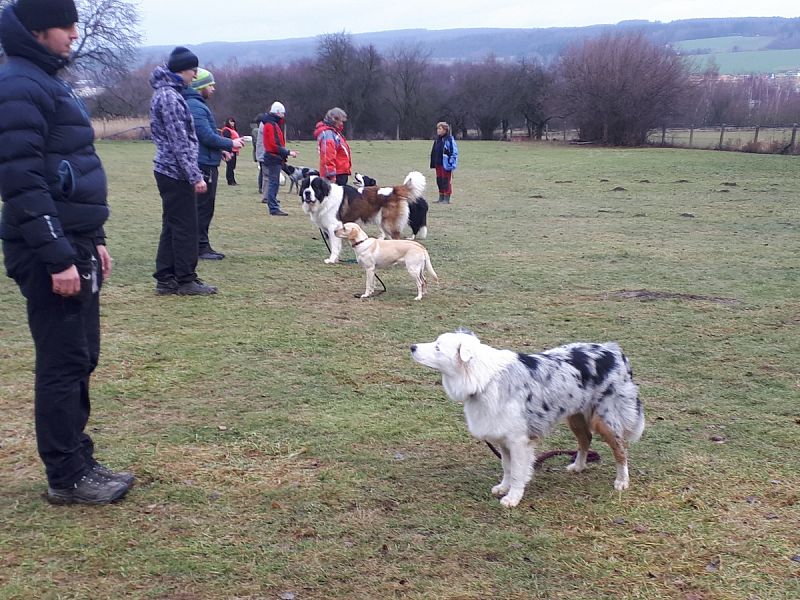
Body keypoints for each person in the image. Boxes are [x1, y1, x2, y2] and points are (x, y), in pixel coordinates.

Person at [0, 0, 134, 505]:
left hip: (75, 241)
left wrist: (93, 240)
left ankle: (79, 457)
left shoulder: (46, 80)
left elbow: (68, 166)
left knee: (82, 356)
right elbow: (21, 180)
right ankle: (65, 475)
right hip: (48, 248)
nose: (75, 33)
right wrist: (57, 256)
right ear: (38, 30)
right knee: (62, 361)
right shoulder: (17, 86)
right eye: (66, 24)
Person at [149, 46, 217, 295]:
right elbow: (180, 141)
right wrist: (194, 175)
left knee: (172, 225)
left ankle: (166, 278)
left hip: (169, 169)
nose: (194, 75)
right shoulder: (169, 97)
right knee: (186, 226)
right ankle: (186, 280)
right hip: (175, 171)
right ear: (183, 71)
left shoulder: (167, 94)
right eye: (193, 70)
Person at [183, 69, 244, 261]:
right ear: (200, 86)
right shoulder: (196, 106)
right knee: (202, 207)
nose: (213, 88)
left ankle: (201, 245)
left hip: (207, 161)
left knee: (203, 207)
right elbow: (205, 135)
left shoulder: (197, 105)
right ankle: (200, 247)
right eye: (210, 85)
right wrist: (230, 144)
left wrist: (220, 150)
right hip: (203, 165)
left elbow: (206, 135)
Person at [261, 101, 297, 216]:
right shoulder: (270, 125)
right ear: (277, 113)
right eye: (282, 113)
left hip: (274, 157)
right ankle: (273, 208)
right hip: (273, 158)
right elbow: (273, 145)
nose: (283, 116)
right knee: (274, 183)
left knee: (274, 182)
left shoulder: (272, 124)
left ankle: (273, 204)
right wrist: (287, 152)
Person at [314, 107, 351, 185]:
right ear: (334, 120)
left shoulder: (334, 133)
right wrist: (331, 175)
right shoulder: (328, 134)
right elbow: (328, 156)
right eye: (341, 121)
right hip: (336, 175)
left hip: (340, 173)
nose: (342, 124)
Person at [430, 121, 458, 203]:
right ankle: (441, 197)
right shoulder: (437, 140)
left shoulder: (449, 140)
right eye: (437, 129)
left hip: (446, 164)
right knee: (439, 180)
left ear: (445, 130)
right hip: (438, 163)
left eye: (440, 129)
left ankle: (446, 198)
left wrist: (451, 162)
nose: (438, 130)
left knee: (446, 180)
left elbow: (454, 152)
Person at [220, 117, 240, 186]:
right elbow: (227, 141)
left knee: (232, 166)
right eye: (231, 122)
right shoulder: (226, 130)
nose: (232, 123)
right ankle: (230, 181)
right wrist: (229, 151)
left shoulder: (233, 130)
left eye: (233, 122)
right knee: (230, 166)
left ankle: (233, 180)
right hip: (229, 151)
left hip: (234, 150)